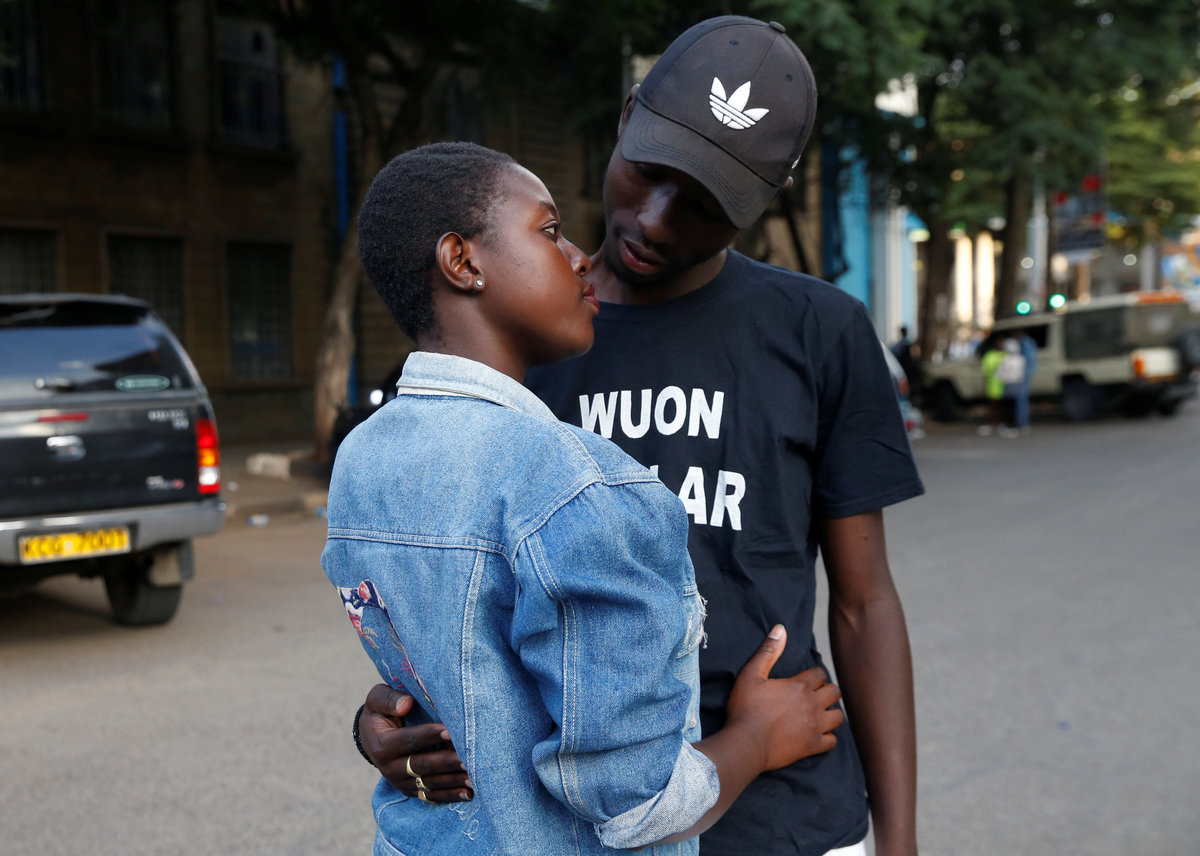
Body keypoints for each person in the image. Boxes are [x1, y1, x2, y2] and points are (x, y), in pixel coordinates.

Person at [357, 17, 925, 856]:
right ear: (627, 119)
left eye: (705, 207)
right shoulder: (514, 343)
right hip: (580, 824)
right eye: (649, 174)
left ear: (763, 201)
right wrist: (386, 719)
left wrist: (900, 841)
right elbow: (451, 606)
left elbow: (864, 601)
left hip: (787, 813)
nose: (656, 221)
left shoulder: (820, 331)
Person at [1014, 329, 1038, 432]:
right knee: (1022, 400)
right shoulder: (1030, 342)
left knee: (1020, 400)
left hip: (1022, 374)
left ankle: (1022, 422)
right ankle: (1023, 422)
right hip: (1026, 373)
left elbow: (1025, 360)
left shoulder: (1024, 343)